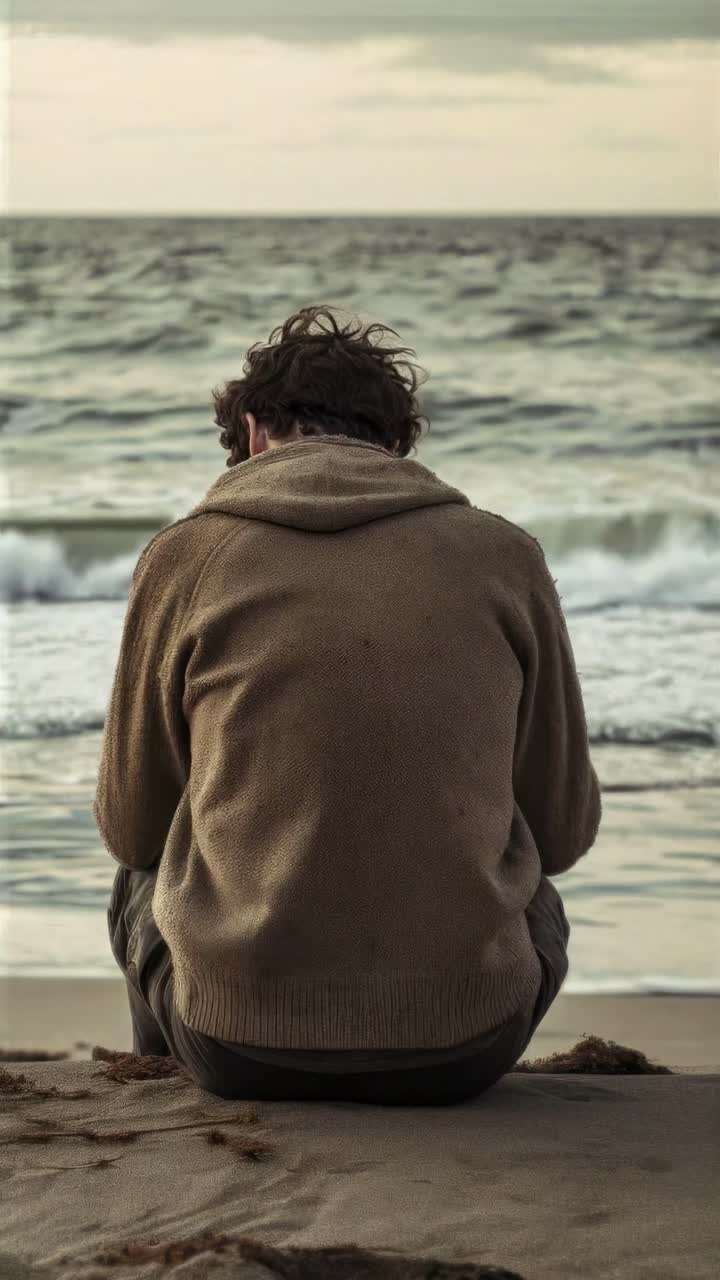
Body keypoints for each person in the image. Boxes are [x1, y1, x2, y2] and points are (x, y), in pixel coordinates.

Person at [96, 304, 601, 1106]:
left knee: (141, 872)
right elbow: (566, 832)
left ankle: (162, 1081)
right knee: (531, 876)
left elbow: (129, 825)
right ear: (398, 443)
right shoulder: (506, 555)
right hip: (464, 1051)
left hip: (235, 1049)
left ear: (256, 432)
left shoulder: (183, 556)